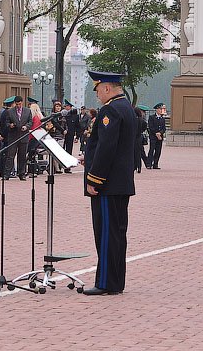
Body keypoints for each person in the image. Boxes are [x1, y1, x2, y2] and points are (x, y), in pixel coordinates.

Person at [81, 71, 137, 296]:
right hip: (121, 182)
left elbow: (107, 147)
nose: (97, 96)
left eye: (98, 91)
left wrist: (94, 178)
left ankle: (105, 282)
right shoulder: (127, 108)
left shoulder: (110, 110)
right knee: (116, 234)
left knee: (105, 234)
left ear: (106, 88)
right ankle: (115, 281)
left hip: (108, 184)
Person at [0, 94, 31, 180]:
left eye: (19, 104)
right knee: (10, 156)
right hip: (13, 136)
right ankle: (7, 174)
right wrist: (10, 125)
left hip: (23, 136)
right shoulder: (10, 111)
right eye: (16, 104)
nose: (18, 106)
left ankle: (22, 173)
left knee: (22, 156)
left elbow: (30, 122)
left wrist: (26, 127)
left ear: (22, 103)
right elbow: (6, 123)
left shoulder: (28, 111)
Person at [146, 103, 167, 169]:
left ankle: (155, 164)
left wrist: (160, 133)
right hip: (153, 137)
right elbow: (150, 127)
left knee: (158, 151)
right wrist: (156, 133)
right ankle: (149, 164)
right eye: (161, 109)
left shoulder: (162, 118)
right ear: (157, 109)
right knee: (152, 150)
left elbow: (164, 128)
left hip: (160, 137)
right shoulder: (152, 117)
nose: (162, 110)